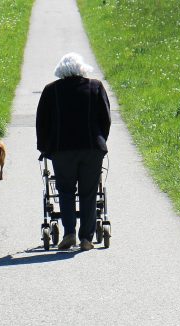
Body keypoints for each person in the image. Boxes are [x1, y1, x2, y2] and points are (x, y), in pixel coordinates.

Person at [35, 53, 111, 251]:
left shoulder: (51, 90)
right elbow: (105, 118)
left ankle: (69, 232)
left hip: (62, 150)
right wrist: (101, 140)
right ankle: (86, 238)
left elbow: (42, 123)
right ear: (82, 68)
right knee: (89, 192)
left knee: (66, 191)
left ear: (61, 70)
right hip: (91, 148)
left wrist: (45, 148)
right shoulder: (95, 87)